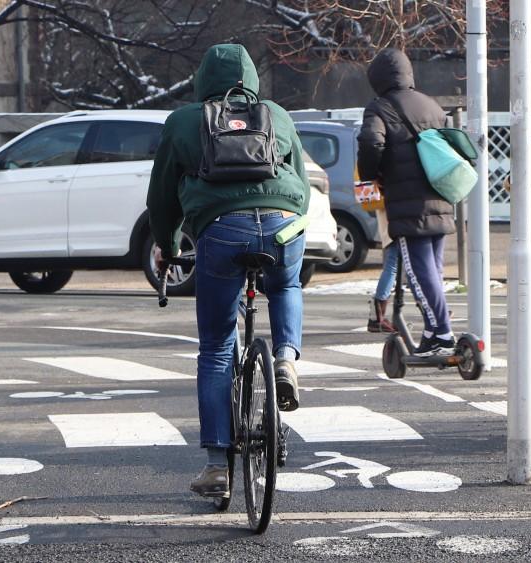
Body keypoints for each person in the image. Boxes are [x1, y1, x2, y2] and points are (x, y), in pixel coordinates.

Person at [147, 44, 310, 497]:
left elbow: (161, 197)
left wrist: (168, 243)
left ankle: (217, 463)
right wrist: (289, 218)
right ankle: (285, 360)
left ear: (202, 80)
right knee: (286, 283)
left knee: (217, 345)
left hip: (221, 232)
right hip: (283, 224)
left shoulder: (184, 121)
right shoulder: (276, 114)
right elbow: (300, 180)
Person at [357, 48, 456, 356]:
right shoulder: (432, 105)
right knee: (434, 268)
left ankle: (442, 333)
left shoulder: (380, 107)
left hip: (407, 201)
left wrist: (371, 174)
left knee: (417, 271)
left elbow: (371, 142)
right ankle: (431, 331)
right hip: (439, 193)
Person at [367, 207, 398, 333]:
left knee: (392, 265)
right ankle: (376, 318)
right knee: (392, 265)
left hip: (390, 216)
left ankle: (377, 318)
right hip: (393, 216)